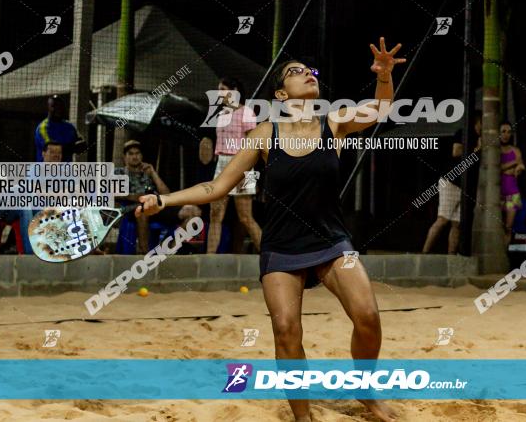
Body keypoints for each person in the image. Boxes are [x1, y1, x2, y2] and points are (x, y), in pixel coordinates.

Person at [139, 38, 405, 422]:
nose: (307, 75)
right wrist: (164, 201)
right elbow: (217, 187)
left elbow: (381, 109)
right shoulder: (265, 134)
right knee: (285, 329)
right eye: (295, 72)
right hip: (282, 245)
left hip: (331, 239)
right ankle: (302, 416)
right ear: (282, 94)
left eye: (309, 71)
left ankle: (365, 390)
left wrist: (384, 76)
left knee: (368, 317)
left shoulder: (334, 121)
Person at [116, 140, 200, 254]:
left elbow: (166, 194)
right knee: (143, 211)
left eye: (137, 153)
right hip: (134, 209)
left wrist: (153, 173)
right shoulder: (119, 172)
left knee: (193, 212)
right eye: (131, 154)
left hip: (157, 206)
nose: (135, 156)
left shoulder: (148, 171)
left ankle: (170, 248)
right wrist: (137, 197)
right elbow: (114, 193)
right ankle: (145, 254)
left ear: (141, 155)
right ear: (124, 157)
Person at [208, 77, 262, 254]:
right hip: (221, 165)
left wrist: (247, 172)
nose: (219, 93)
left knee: (246, 217)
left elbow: (253, 144)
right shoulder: (222, 114)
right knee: (215, 215)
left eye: (223, 89)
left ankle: (268, 256)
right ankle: (209, 258)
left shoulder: (246, 112)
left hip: (242, 164)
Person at [421, 116, 481, 255]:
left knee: (457, 224)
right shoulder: (464, 133)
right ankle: (424, 253)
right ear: (477, 122)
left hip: (465, 187)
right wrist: (476, 149)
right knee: (442, 219)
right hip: (451, 181)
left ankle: (451, 255)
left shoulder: (481, 139)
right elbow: (456, 151)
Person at [34, 95, 87, 162]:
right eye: (54, 106)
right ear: (48, 108)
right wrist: (73, 148)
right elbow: (52, 149)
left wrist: (76, 147)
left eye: (60, 107)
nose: (58, 110)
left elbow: (83, 145)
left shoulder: (70, 126)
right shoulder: (42, 128)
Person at [500, 122, 525, 246]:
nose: (506, 135)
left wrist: (517, 169)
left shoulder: (515, 150)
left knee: (508, 227)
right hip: (498, 193)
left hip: (512, 192)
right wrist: (513, 163)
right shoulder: (495, 150)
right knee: (497, 226)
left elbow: (521, 165)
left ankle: (503, 255)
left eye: (509, 132)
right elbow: (496, 168)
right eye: (503, 131)